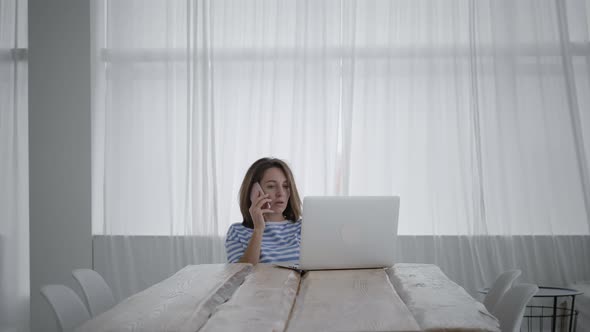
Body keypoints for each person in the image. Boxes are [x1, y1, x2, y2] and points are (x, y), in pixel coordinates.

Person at [225, 157, 302, 264]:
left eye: (285, 186)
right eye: (271, 186)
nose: (281, 193)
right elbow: (240, 275)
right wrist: (258, 229)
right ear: (254, 191)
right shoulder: (237, 232)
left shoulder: (302, 228)